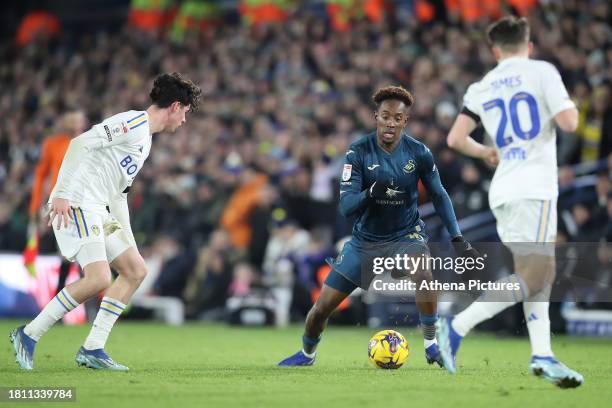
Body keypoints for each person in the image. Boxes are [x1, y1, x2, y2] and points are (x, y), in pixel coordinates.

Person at [10, 72, 202, 371]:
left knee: (135, 270)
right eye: (186, 113)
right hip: (78, 202)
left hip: (100, 207)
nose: (184, 121)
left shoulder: (146, 139)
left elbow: (119, 194)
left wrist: (127, 238)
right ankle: (29, 333)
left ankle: (93, 347)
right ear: (176, 106)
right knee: (99, 279)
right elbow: (79, 144)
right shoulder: (133, 123)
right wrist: (61, 193)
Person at [278, 85, 478, 368]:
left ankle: (432, 344)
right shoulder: (358, 152)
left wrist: (457, 237)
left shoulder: (419, 153)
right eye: (386, 116)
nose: (391, 123)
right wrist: (371, 192)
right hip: (365, 242)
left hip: (405, 234)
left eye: (397, 118)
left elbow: (440, 195)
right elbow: (346, 207)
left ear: (404, 121)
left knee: (422, 269)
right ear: (376, 117)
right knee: (320, 309)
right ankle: (307, 354)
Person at [440, 16, 583, 388]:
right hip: (532, 187)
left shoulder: (482, 85)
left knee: (541, 275)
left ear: (495, 50)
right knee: (534, 275)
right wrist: (572, 108)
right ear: (529, 45)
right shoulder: (542, 72)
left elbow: (455, 139)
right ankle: (457, 325)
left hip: (505, 187)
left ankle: (543, 355)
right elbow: (568, 123)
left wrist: (486, 151)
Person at [26, 110, 87, 292]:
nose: (74, 125)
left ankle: (79, 296)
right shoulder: (52, 144)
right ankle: (62, 294)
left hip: (88, 202)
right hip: (62, 203)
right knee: (67, 252)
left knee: (88, 251)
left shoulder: (91, 141)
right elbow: (40, 176)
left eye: (77, 120)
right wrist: (35, 207)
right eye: (70, 120)